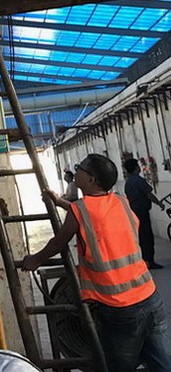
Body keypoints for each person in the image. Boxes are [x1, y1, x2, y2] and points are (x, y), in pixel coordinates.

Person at [22, 153, 171, 370]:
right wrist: (60, 202)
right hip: (149, 296)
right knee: (163, 365)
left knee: (119, 367)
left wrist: (34, 260)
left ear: (91, 179)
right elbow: (94, 212)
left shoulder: (80, 210)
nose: (75, 172)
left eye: (79, 169)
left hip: (119, 307)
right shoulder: (120, 201)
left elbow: (58, 243)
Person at [124, 157, 165, 269]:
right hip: (142, 211)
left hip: (134, 212)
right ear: (135, 168)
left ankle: (143, 260)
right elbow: (149, 194)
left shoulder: (128, 183)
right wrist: (159, 203)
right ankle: (150, 261)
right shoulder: (139, 181)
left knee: (141, 237)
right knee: (147, 236)